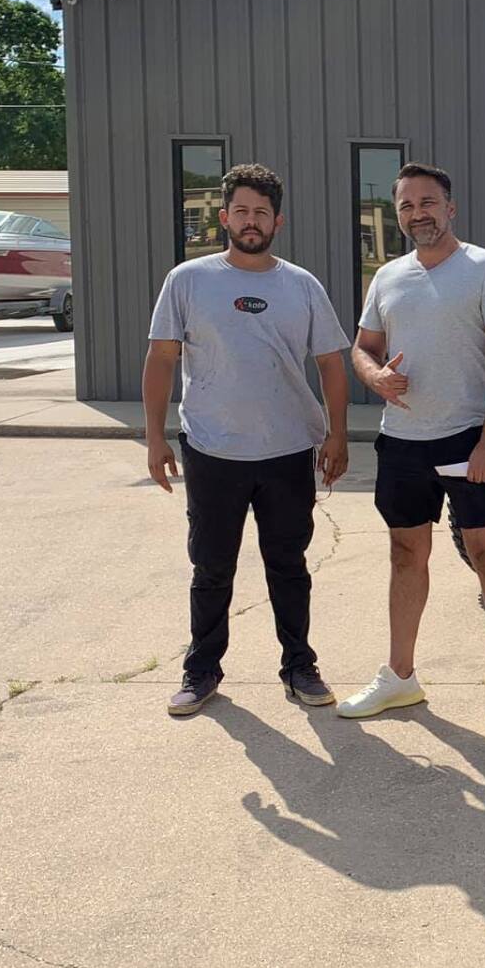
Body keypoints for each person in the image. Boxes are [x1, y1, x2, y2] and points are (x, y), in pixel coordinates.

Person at [143, 163, 351, 718]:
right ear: (224, 217)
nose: (251, 220)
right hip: (213, 450)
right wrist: (154, 439)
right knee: (212, 568)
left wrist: (337, 434)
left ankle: (299, 666)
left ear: (278, 221)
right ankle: (202, 671)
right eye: (241, 211)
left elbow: (331, 364)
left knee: (289, 565)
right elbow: (161, 359)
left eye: (261, 212)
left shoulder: (301, 285)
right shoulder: (188, 280)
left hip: (287, 450)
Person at [341, 162, 485, 739]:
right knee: (406, 555)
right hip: (403, 440)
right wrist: (375, 376)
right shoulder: (388, 277)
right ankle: (400, 676)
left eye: (428, 202)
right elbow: (363, 347)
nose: (417, 213)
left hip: (467, 438)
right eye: (406, 205)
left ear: (450, 208)